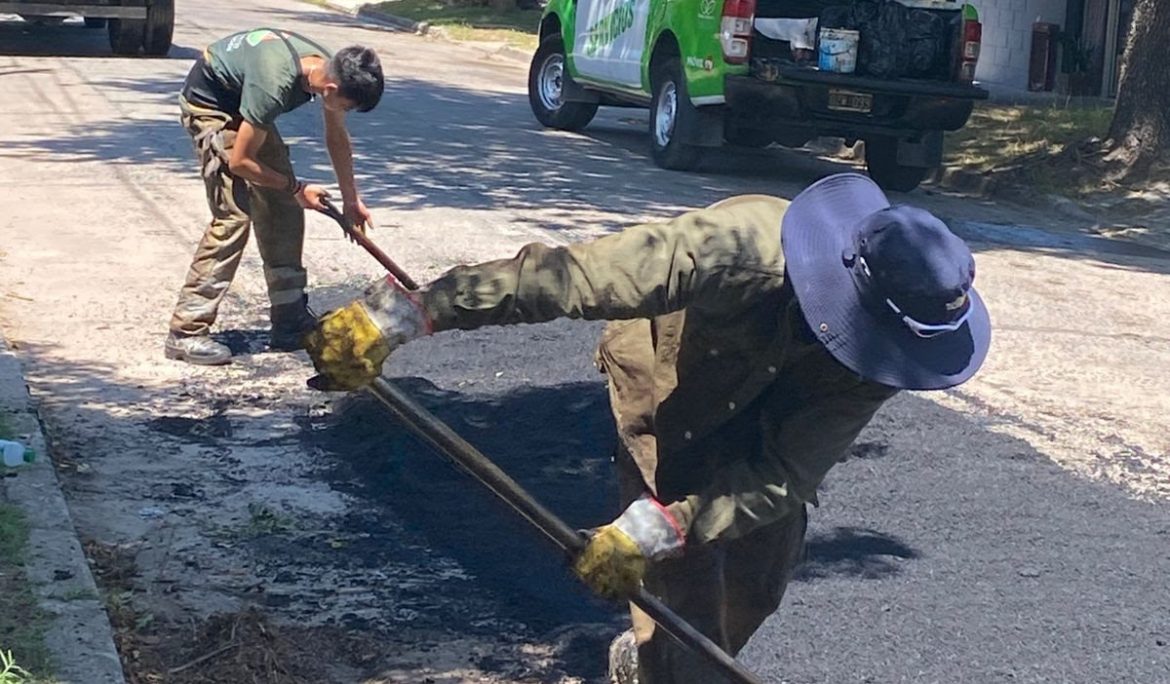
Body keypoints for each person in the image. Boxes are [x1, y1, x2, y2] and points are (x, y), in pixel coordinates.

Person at [302, 173, 992, 683]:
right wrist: (415, 312)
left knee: (758, 580)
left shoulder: (890, 350)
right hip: (667, 390)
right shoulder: (733, 250)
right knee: (685, 601)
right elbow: (572, 278)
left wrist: (671, 526)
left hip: (770, 421)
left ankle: (653, 656)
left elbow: (786, 472)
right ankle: (664, 663)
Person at [165, 28, 384, 365]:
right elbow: (241, 162)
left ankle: (289, 318)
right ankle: (186, 332)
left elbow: (337, 137)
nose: (347, 112)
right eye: (348, 107)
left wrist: (351, 199)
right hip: (212, 103)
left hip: (246, 101)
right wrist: (296, 188)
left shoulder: (331, 69)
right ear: (331, 90)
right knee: (234, 216)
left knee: (283, 206)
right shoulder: (273, 85)